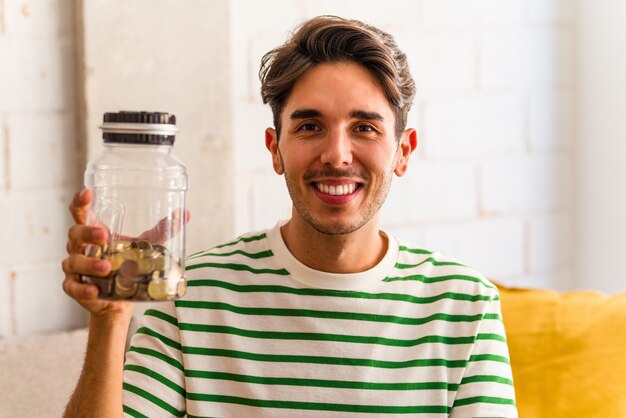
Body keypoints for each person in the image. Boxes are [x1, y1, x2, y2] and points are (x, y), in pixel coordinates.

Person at [62, 15, 517, 417]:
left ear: (403, 151)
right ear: (275, 149)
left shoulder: (465, 305)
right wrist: (110, 319)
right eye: (309, 126)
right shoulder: (190, 297)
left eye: (364, 128)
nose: (337, 156)